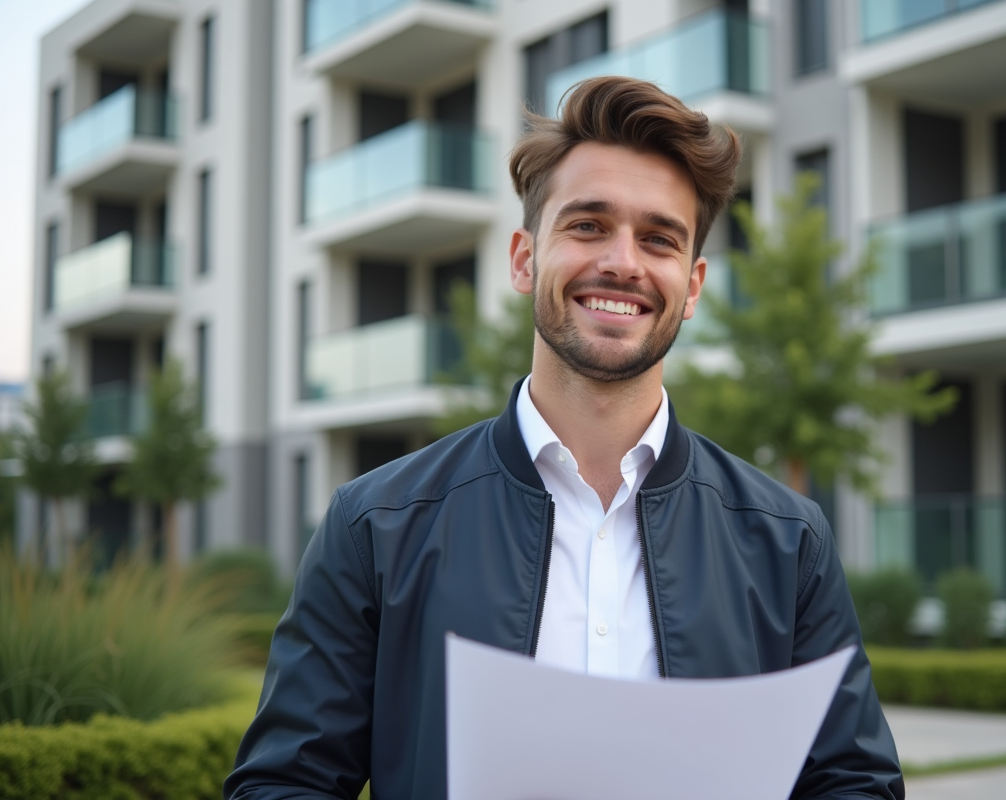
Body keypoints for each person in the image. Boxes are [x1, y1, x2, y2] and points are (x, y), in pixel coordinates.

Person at [226, 76, 903, 800]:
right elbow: (282, 785)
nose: (623, 262)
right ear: (524, 259)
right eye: (587, 225)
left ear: (694, 284)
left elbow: (854, 782)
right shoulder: (376, 525)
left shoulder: (789, 539)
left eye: (658, 238)